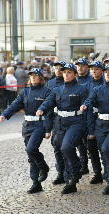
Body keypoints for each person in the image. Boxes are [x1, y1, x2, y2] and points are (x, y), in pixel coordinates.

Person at [37, 63, 91, 194]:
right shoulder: (58, 90)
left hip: (76, 122)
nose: (65, 75)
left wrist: (89, 129)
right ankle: (70, 181)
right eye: (64, 72)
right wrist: (41, 108)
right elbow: (49, 101)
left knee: (67, 146)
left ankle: (76, 170)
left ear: (75, 75)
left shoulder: (81, 89)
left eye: (69, 72)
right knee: (62, 151)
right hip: (61, 122)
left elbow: (87, 109)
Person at [0, 68, 53, 194]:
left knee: (31, 149)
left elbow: (50, 112)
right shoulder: (25, 91)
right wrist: (5, 114)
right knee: (30, 155)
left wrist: (48, 128)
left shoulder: (47, 92)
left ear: (41, 78)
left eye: (36, 75)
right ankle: (35, 182)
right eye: (31, 76)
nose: (33, 77)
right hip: (27, 125)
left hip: (39, 124)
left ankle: (43, 167)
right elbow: (15, 104)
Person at [80, 63, 109, 195]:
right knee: (103, 152)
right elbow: (90, 99)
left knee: (107, 148)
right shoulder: (97, 89)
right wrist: (85, 105)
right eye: (106, 72)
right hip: (101, 125)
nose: (107, 74)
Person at [83, 61, 105, 184]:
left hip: (103, 118)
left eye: (97, 69)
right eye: (92, 69)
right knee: (91, 147)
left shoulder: (105, 83)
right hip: (89, 118)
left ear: (102, 70)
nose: (94, 71)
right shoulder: (86, 86)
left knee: (104, 147)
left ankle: (108, 171)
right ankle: (97, 172)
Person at [45, 61, 67, 185]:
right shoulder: (50, 83)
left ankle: (70, 171)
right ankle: (61, 172)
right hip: (55, 117)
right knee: (57, 146)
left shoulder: (69, 81)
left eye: (61, 68)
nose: (58, 70)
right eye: (56, 68)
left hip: (69, 119)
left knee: (67, 147)